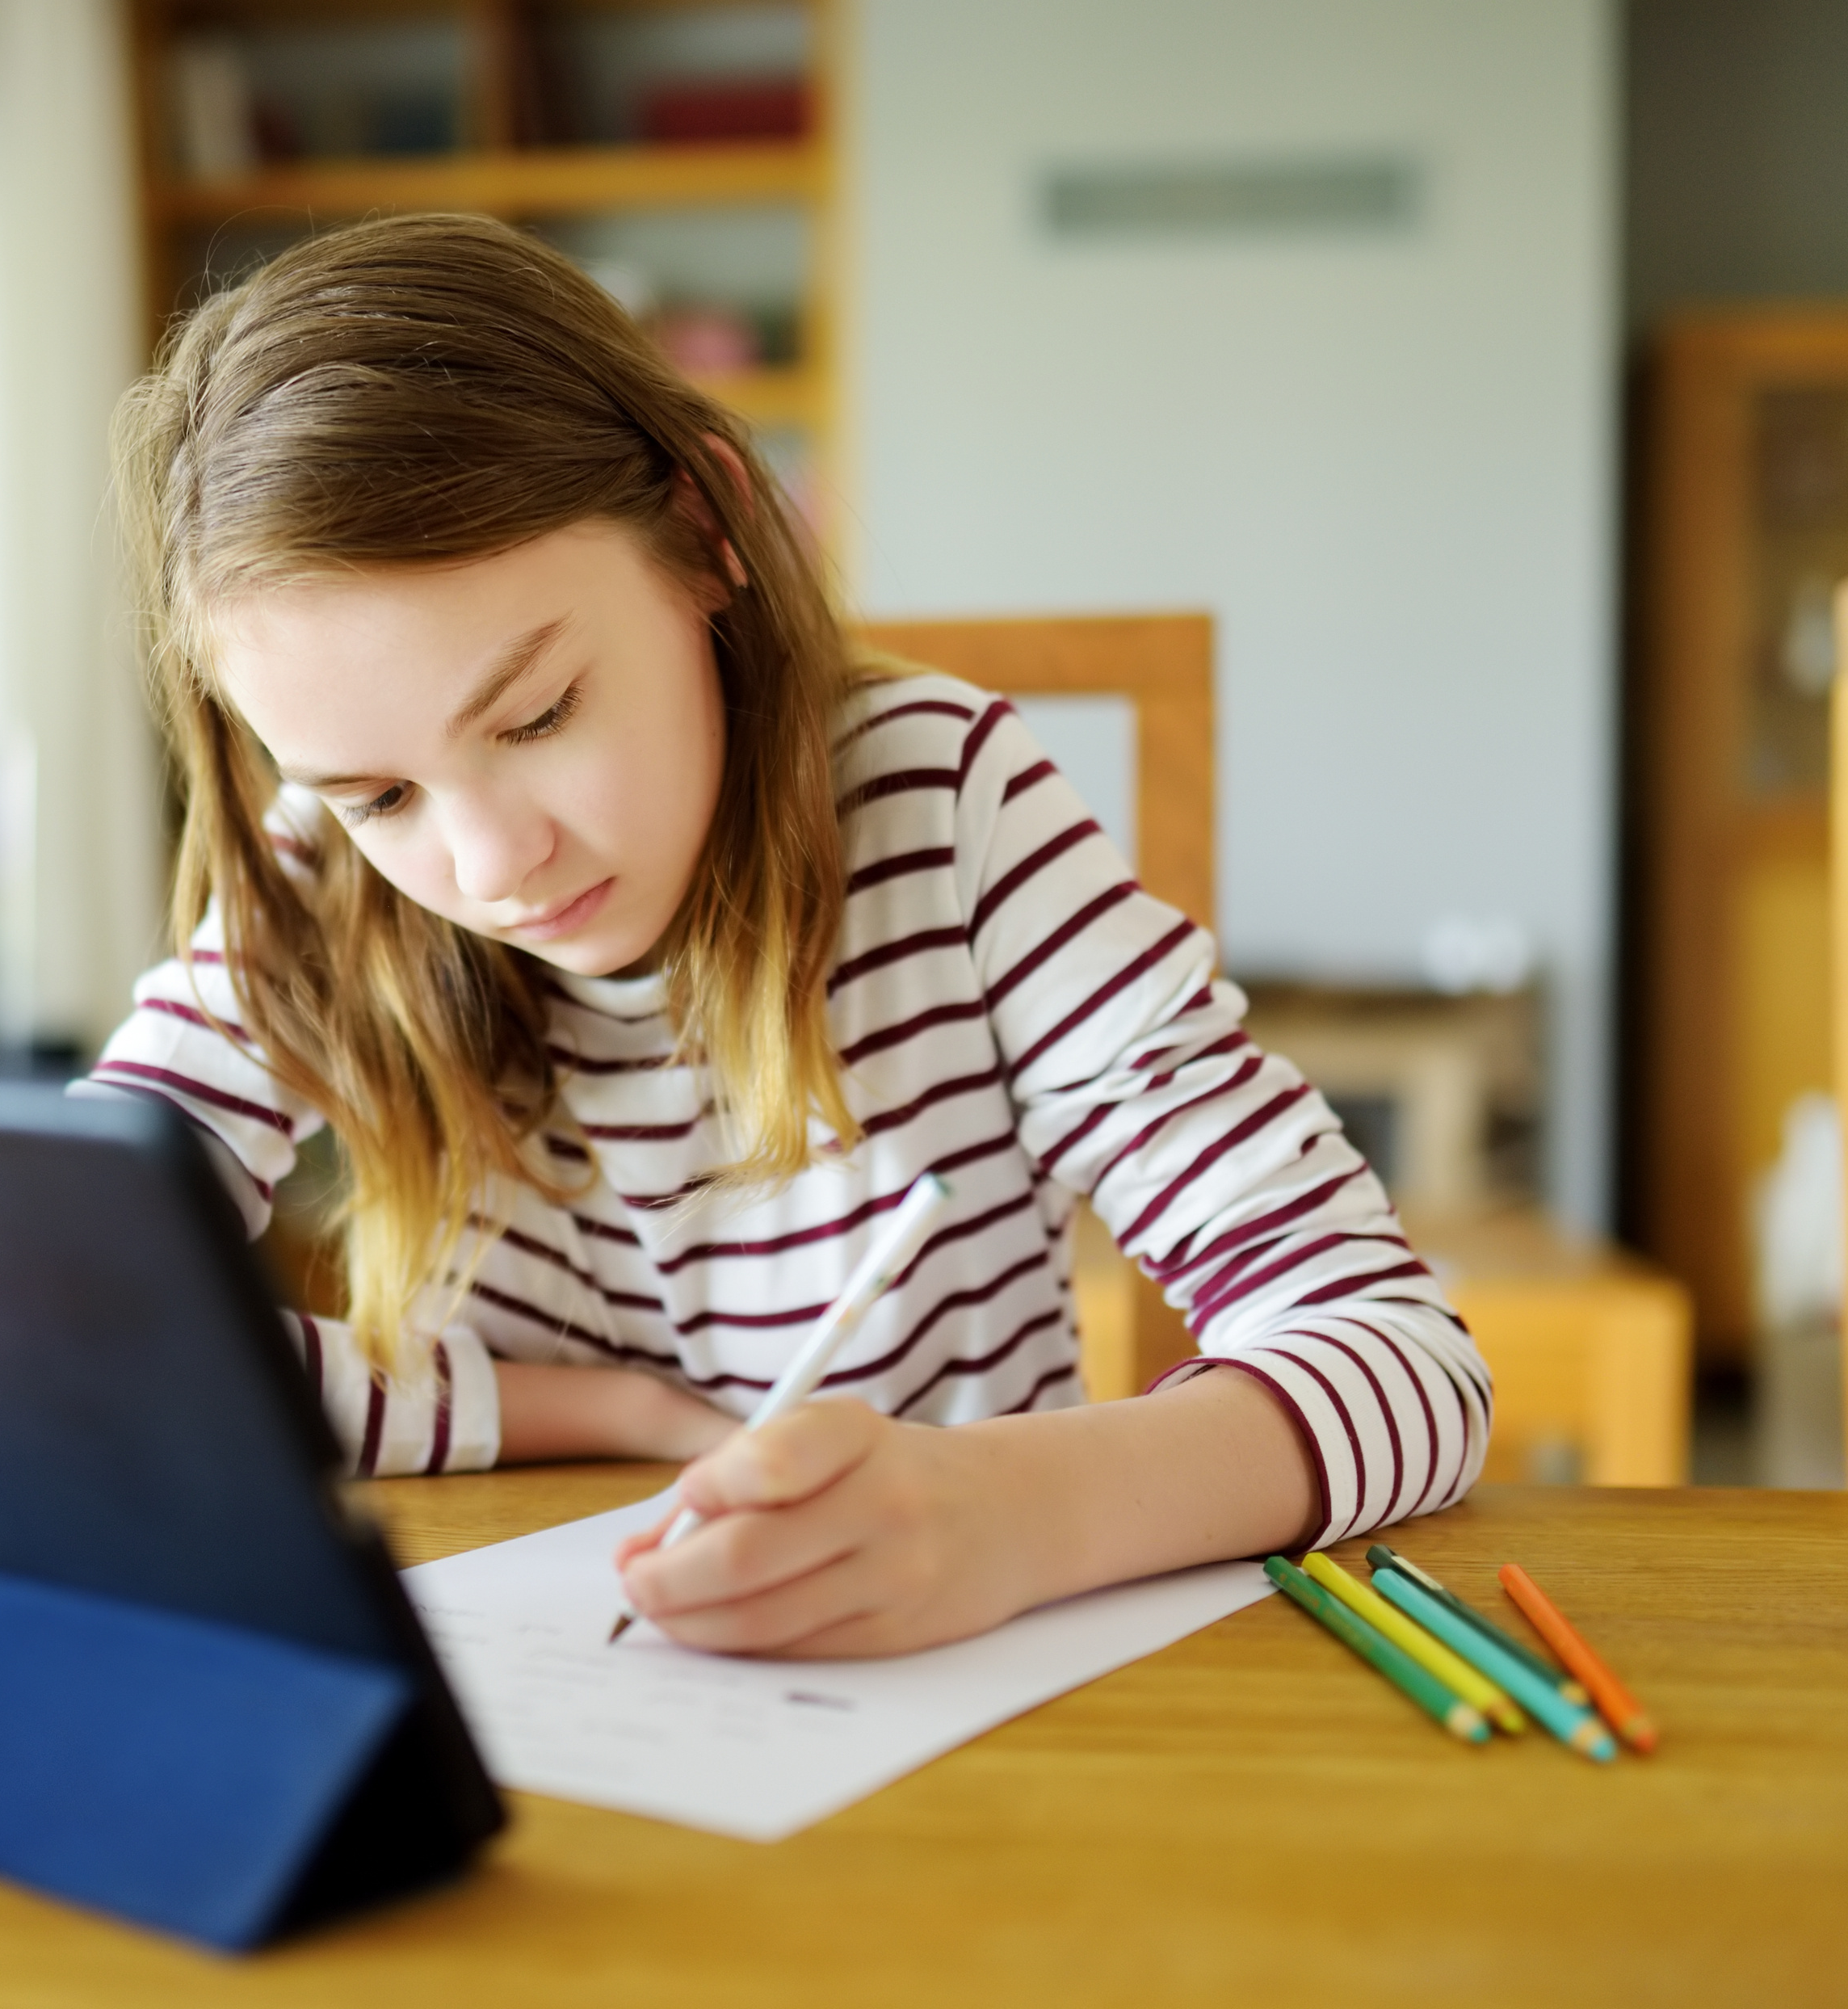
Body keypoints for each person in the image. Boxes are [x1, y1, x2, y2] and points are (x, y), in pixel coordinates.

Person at [84, 214, 1489, 1659]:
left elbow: (1406, 1363)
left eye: (537, 715)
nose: (492, 862)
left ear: (704, 535)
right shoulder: (319, 879)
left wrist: (1012, 1513)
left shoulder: (944, 812)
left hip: (950, 1704)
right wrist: (613, 1415)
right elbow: (66, 1338)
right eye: (380, 792)